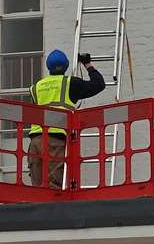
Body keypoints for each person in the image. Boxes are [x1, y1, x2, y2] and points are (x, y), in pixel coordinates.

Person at [25, 49, 106, 189]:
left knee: (37, 189)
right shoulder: (70, 83)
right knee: (55, 187)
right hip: (55, 141)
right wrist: (87, 64)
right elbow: (99, 84)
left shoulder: (36, 87)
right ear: (66, 66)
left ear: (48, 67)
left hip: (35, 142)